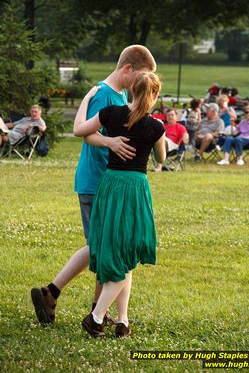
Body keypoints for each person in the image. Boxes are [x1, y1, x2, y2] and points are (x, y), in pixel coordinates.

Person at [31, 45, 157, 325]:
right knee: (103, 246)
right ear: (128, 69)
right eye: (140, 76)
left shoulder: (123, 95)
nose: (141, 85)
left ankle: (93, 308)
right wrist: (110, 141)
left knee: (103, 246)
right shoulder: (104, 95)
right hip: (98, 181)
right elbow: (86, 133)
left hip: (112, 184)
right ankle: (54, 293)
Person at [73, 71, 166, 338]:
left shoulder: (111, 113)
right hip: (134, 188)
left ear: (132, 90)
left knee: (122, 250)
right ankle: (96, 317)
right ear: (154, 95)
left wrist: (86, 99)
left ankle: (123, 321)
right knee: (125, 252)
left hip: (110, 185)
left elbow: (81, 130)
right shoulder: (155, 127)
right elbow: (161, 158)